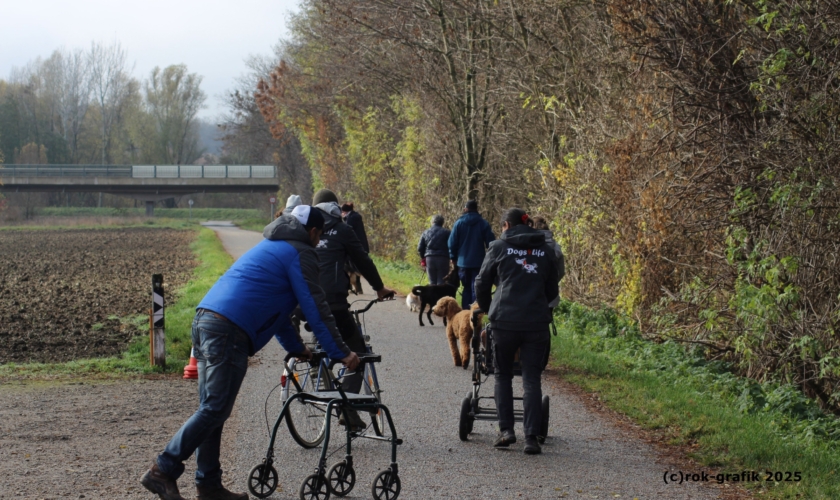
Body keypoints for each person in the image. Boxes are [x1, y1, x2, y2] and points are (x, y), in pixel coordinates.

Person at [140, 205, 359, 500]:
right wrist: (341, 353)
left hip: (207, 320)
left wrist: (297, 348)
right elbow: (315, 307)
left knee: (213, 410)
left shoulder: (273, 245)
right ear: (314, 232)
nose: (319, 242)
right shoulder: (301, 251)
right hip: (228, 330)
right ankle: (162, 470)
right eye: (319, 237)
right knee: (215, 409)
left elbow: (278, 311)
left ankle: (209, 486)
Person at [475, 208, 559, 456]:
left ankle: (506, 431)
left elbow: (481, 281)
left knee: (502, 375)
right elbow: (553, 289)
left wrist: (488, 308)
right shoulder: (545, 249)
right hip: (536, 322)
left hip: (505, 321)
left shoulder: (499, 247)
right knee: (531, 378)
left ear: (505, 225)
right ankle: (531, 438)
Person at [312, 189, 395, 429]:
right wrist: (379, 288)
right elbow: (362, 260)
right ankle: (346, 408)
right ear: (336, 208)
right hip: (334, 303)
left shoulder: (305, 229)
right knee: (357, 352)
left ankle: (324, 379)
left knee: (323, 345)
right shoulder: (342, 229)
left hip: (304, 302)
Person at [448, 199, 495, 309]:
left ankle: (465, 312)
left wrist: (453, 257)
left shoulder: (458, 223)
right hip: (478, 262)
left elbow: (452, 242)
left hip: (462, 263)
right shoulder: (483, 223)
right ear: (477, 209)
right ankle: (475, 314)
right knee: (476, 288)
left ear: (465, 209)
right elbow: (491, 243)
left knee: (466, 288)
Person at [530, 215, 565, 308]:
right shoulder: (556, 247)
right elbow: (561, 272)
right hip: (550, 295)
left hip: (529, 295)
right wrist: (551, 281)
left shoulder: (527, 246)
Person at [417, 214, 451, 285]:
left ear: (432, 222)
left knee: (432, 282)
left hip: (430, 259)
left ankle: (432, 295)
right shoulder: (447, 232)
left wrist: (423, 258)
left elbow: (420, 248)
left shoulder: (425, 232)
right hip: (443, 259)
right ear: (442, 222)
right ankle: (440, 296)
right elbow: (451, 245)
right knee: (442, 282)